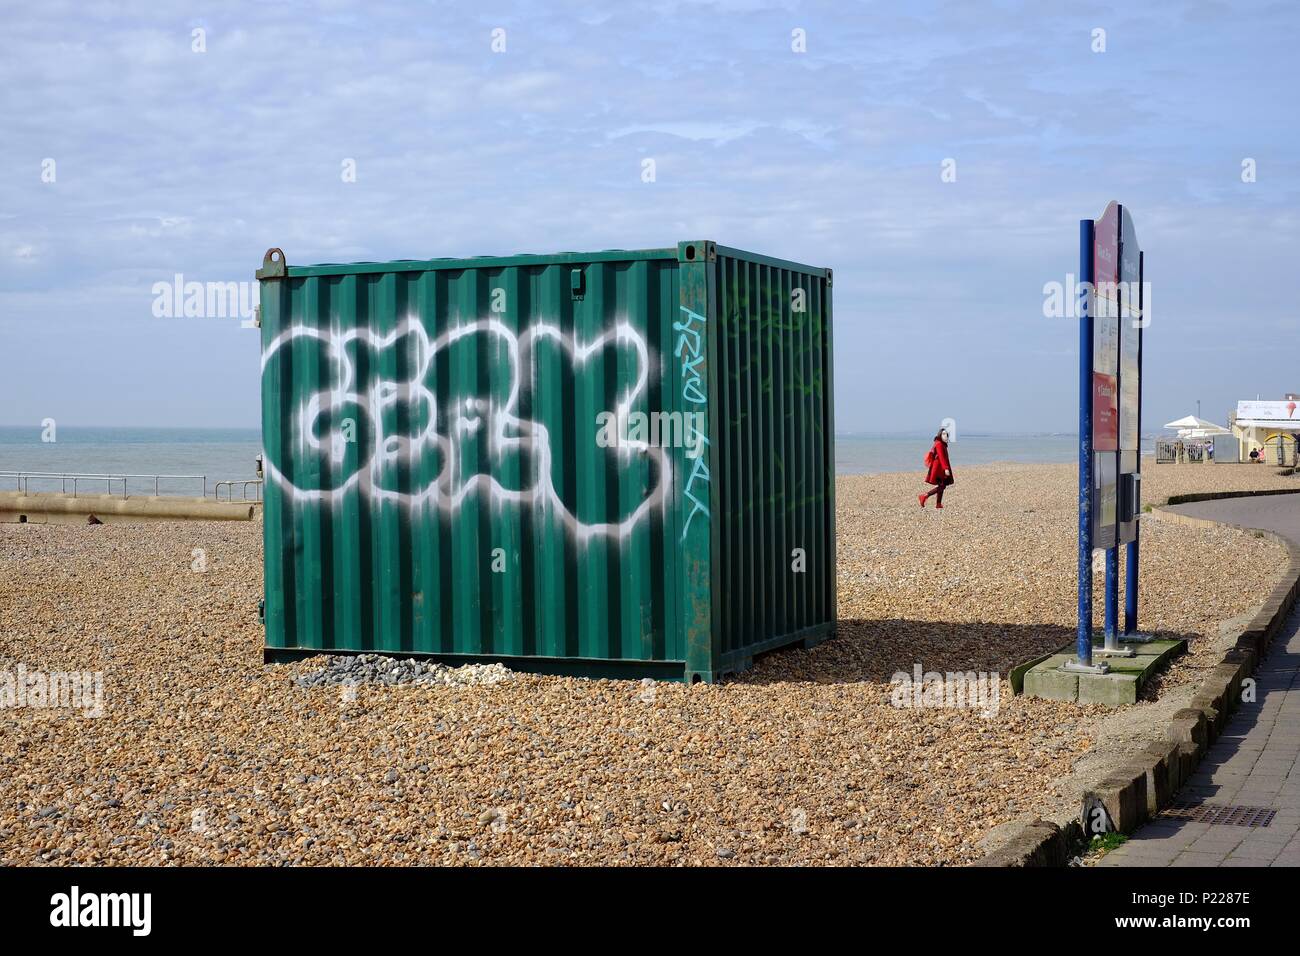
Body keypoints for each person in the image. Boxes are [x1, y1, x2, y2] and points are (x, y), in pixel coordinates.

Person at [918, 428, 955, 508]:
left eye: (946, 434)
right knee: (942, 485)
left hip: (940, 467)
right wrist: (946, 468)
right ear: (940, 435)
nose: (945, 436)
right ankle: (924, 496)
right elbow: (941, 457)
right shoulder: (939, 444)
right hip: (939, 468)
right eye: (943, 434)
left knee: (942, 484)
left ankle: (938, 504)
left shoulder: (942, 444)